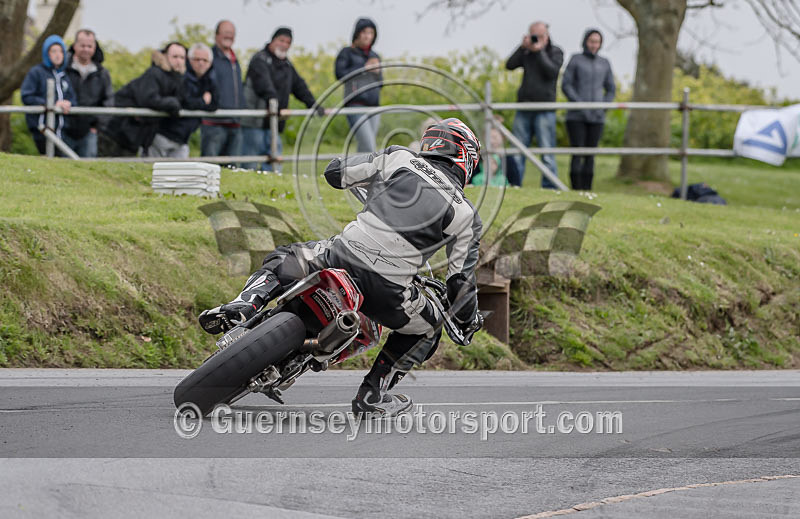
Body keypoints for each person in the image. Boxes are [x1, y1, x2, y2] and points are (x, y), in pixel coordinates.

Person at [199, 118, 484, 417]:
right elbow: (460, 283)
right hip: (389, 290)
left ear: (430, 143)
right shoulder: (465, 214)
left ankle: (244, 305)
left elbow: (335, 171)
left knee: (284, 258)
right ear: (465, 157)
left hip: (340, 256)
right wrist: (467, 322)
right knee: (428, 329)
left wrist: (371, 184)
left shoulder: (400, 158)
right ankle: (373, 395)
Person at [242, 27, 323, 171]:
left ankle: (269, 188)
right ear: (273, 40)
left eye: (288, 42)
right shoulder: (259, 59)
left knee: (274, 161)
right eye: (281, 40)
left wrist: (314, 104)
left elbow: (299, 86)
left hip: (275, 123)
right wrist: (276, 105)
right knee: (250, 163)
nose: (284, 45)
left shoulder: (287, 65)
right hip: (255, 122)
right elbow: (264, 85)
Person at [505, 21, 563, 188]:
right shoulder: (526, 52)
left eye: (540, 35)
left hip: (545, 109)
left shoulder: (555, 52)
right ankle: (515, 185)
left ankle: (550, 187)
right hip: (524, 107)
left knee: (547, 152)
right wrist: (522, 47)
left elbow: (551, 72)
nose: (537, 38)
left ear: (547, 36)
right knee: (517, 151)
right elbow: (509, 65)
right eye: (533, 35)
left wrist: (540, 52)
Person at [101, 42, 185, 157]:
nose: (179, 61)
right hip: (117, 130)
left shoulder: (177, 78)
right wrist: (173, 103)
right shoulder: (154, 73)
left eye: (182, 57)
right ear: (165, 56)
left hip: (134, 136)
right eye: (175, 57)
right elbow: (148, 99)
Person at [561, 28, 615, 191]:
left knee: (590, 155)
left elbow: (611, 89)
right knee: (577, 152)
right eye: (591, 41)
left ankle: (587, 190)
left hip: (597, 117)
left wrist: (603, 107)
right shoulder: (575, 59)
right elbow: (566, 85)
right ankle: (575, 189)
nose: (594, 45)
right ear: (585, 41)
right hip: (576, 116)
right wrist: (580, 104)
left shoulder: (604, 63)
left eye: (597, 42)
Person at [149, 43, 218, 158]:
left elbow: (214, 104)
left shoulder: (210, 79)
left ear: (210, 63)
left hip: (183, 139)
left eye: (205, 60)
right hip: (162, 134)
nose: (201, 63)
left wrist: (198, 103)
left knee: (179, 174)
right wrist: (202, 101)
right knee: (152, 171)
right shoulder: (180, 75)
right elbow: (184, 102)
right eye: (197, 59)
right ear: (189, 60)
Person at [21, 34, 77, 155]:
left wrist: (68, 103)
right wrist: (50, 104)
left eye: (61, 51)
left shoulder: (64, 76)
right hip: (43, 129)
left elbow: (73, 98)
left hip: (62, 130)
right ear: (47, 53)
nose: (58, 54)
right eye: (53, 51)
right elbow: (26, 96)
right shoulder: (36, 72)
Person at [63, 29, 113, 158]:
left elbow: (108, 101)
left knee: (87, 169)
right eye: (82, 45)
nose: (86, 49)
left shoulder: (102, 74)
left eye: (89, 46)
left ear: (94, 47)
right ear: (75, 46)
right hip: (64, 130)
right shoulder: (63, 69)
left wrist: (97, 126)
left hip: (89, 132)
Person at [335, 17, 382, 153]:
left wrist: (377, 72)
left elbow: (381, 83)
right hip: (355, 105)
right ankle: (359, 172)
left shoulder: (374, 55)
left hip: (374, 107)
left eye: (371, 33)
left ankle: (358, 173)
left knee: (364, 148)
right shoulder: (346, 52)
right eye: (365, 32)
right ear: (357, 33)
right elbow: (340, 74)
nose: (368, 36)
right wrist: (364, 67)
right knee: (369, 145)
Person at [201, 20, 245, 160]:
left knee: (232, 169)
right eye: (226, 32)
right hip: (214, 123)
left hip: (234, 123)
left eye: (232, 33)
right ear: (216, 35)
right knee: (210, 166)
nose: (229, 36)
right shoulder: (209, 57)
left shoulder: (234, 59)